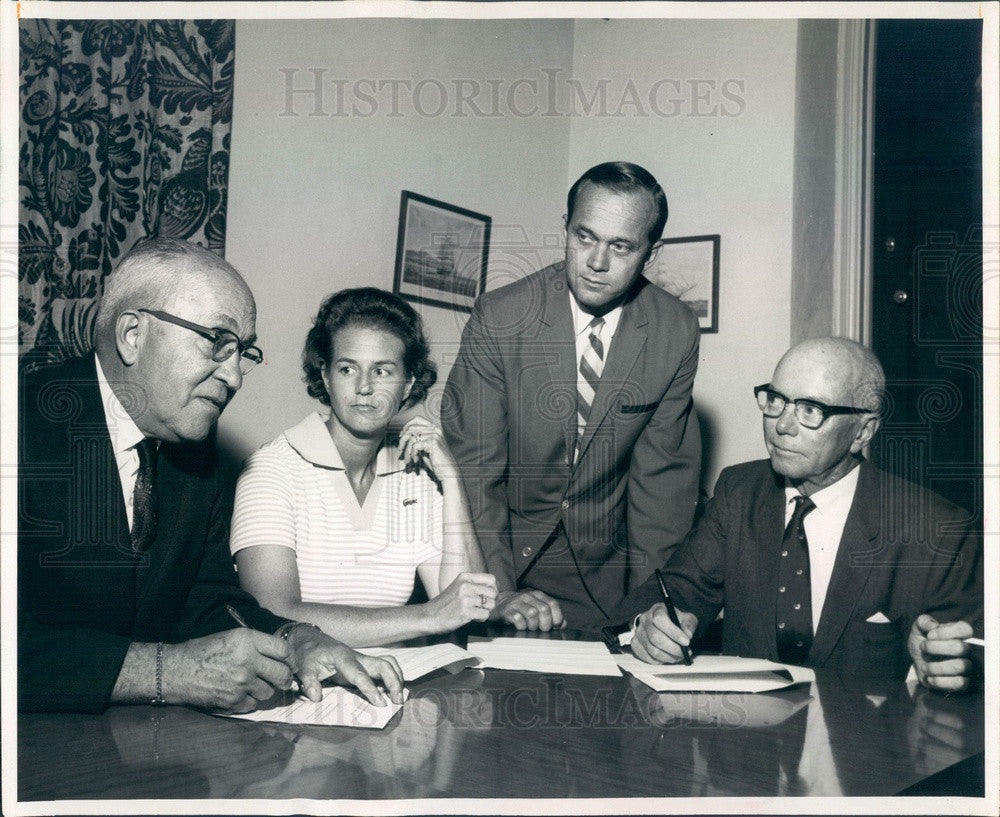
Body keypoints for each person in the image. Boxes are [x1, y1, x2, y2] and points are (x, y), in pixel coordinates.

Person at [18, 239, 404, 714]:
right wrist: (164, 671)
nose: (236, 377)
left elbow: (205, 596)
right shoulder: (18, 424)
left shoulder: (195, 451)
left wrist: (296, 638)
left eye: (243, 352)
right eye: (217, 342)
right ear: (133, 335)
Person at [623, 337, 982, 689]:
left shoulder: (937, 529)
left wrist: (949, 668)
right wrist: (650, 623)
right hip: (744, 738)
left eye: (810, 410)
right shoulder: (739, 490)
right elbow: (677, 589)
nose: (782, 425)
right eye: (776, 400)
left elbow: (975, 653)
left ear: (863, 431)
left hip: (868, 743)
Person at [443, 161, 701, 631]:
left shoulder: (675, 331)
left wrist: (651, 605)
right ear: (565, 227)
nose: (597, 263)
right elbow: (476, 473)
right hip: (501, 557)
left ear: (650, 252)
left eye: (620, 246)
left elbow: (661, 492)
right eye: (584, 237)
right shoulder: (500, 317)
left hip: (606, 578)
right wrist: (498, 593)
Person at [230, 288, 497, 646]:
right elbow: (272, 612)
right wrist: (427, 616)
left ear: (408, 385)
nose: (364, 388)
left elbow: (466, 605)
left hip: (394, 683)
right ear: (325, 376)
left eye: (383, 371)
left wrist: (451, 480)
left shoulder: (417, 476)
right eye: (347, 369)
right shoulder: (271, 469)